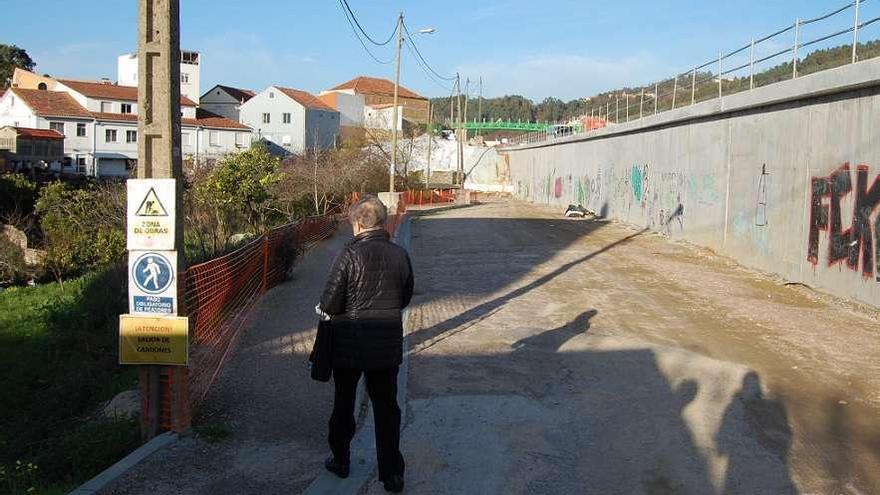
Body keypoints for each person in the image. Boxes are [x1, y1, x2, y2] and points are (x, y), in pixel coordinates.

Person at [319, 196, 413, 493]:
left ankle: (341, 460)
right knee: (387, 409)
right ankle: (392, 474)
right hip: (386, 346)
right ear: (383, 222)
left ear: (358, 224)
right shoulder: (400, 255)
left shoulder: (348, 256)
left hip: (348, 346)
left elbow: (330, 302)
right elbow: (405, 296)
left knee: (344, 404)